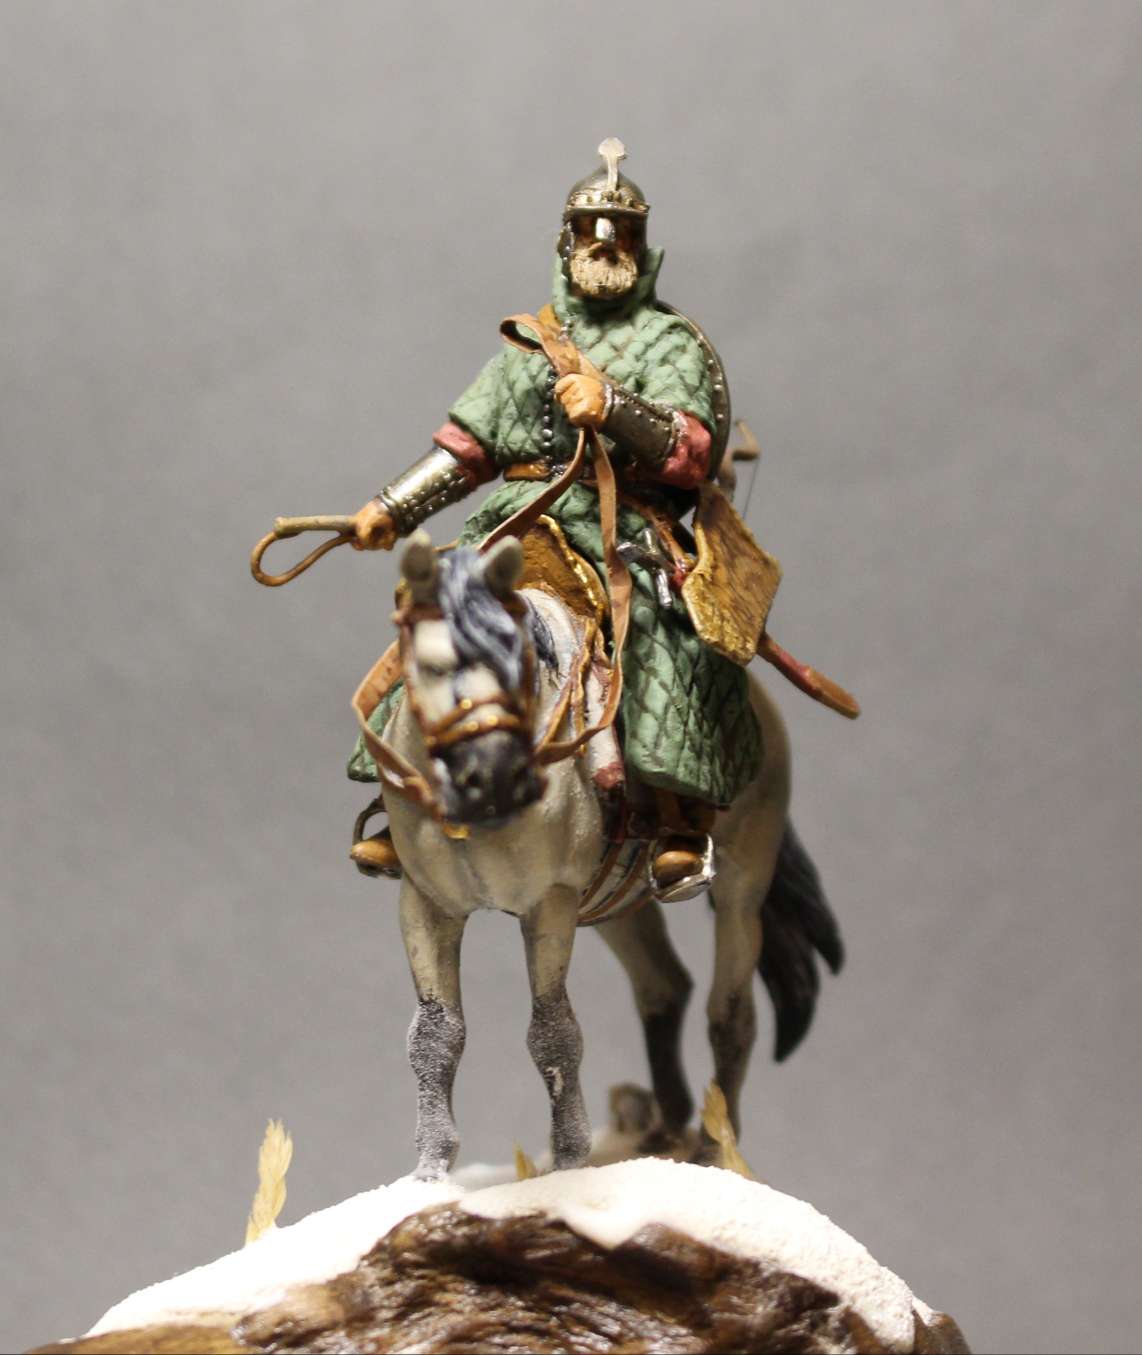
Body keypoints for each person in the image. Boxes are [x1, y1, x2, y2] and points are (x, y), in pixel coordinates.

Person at [347, 139, 760, 898]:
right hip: (514, 521)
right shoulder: (527, 346)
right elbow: (467, 448)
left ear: (642, 243)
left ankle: (678, 819)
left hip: (621, 526)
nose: (605, 243)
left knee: (665, 630)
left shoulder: (668, 341)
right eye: (590, 229)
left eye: (621, 231)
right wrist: (390, 508)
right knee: (437, 611)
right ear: (565, 240)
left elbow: (692, 449)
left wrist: (614, 407)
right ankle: (401, 799)